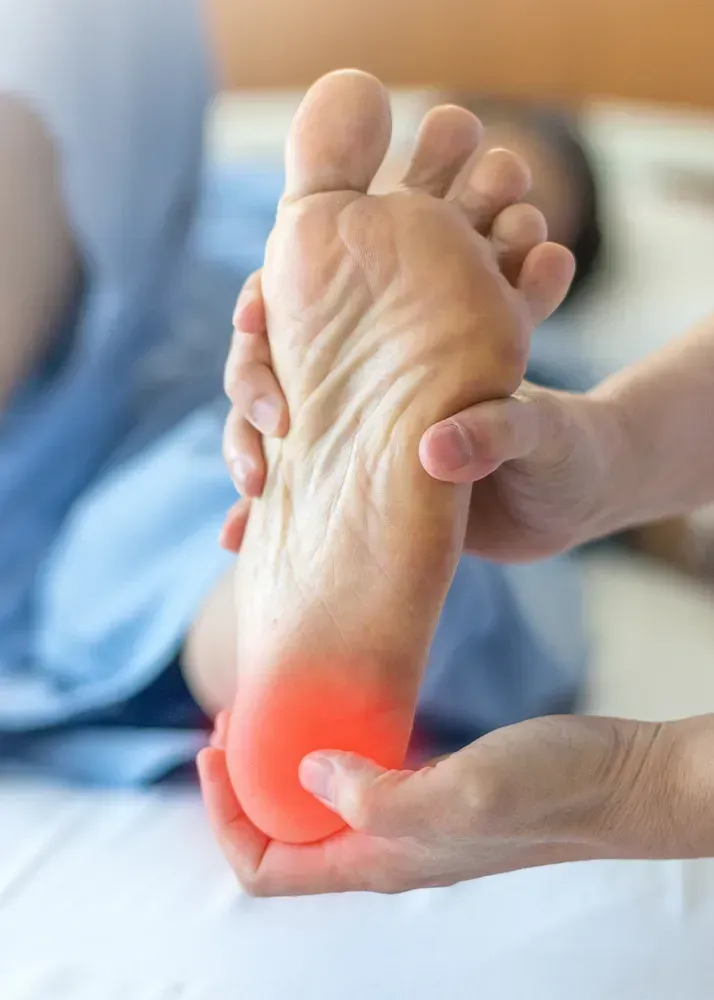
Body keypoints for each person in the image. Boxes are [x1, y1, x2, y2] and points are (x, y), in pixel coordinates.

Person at [0, 2, 585, 785]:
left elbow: (597, 454)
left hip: (186, 447)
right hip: (74, 345)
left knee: (210, 514)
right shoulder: (215, 186)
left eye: (513, 227)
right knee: (111, 27)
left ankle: (303, 650)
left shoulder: (515, 359)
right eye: (462, 183)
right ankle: (303, 609)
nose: (460, 215)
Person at [209, 93, 714, 896]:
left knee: (437, 489)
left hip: (430, 454)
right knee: (414, 494)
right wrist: (609, 458)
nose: (478, 214)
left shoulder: (541, 366)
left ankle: (268, 624)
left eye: (524, 225)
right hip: (222, 419)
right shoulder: (232, 204)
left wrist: (640, 780)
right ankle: (267, 628)